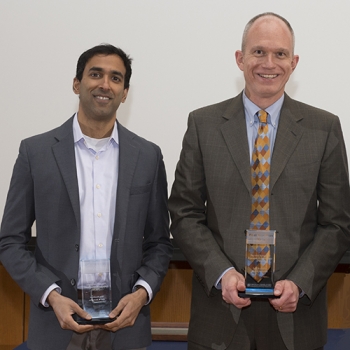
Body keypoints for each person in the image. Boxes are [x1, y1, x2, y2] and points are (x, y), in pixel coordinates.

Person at [168, 12, 350, 350]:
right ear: (240, 59)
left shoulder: (323, 129)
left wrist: (300, 281)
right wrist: (221, 273)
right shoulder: (203, 124)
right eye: (258, 52)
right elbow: (184, 213)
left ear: (294, 62)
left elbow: (337, 223)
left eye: (280, 54)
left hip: (296, 317)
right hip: (219, 315)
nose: (269, 63)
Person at [0, 44, 172, 350]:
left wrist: (142, 293)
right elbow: (11, 241)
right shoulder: (35, 153)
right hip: (56, 323)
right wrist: (50, 295)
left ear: (125, 92)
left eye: (116, 78)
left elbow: (159, 242)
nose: (105, 84)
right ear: (77, 83)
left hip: (125, 325)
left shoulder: (147, 156)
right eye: (96, 74)